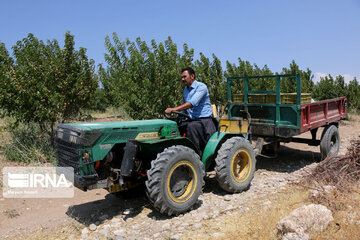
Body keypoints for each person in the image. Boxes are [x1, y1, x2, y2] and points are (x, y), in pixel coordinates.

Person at [165, 67, 216, 154]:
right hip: (192, 119)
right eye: (182, 77)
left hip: (204, 120)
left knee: (191, 127)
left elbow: (192, 103)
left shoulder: (201, 87)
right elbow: (185, 109)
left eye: (185, 77)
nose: (183, 79)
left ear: (192, 76)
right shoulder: (186, 90)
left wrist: (173, 109)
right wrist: (178, 116)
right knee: (174, 126)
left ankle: (195, 155)